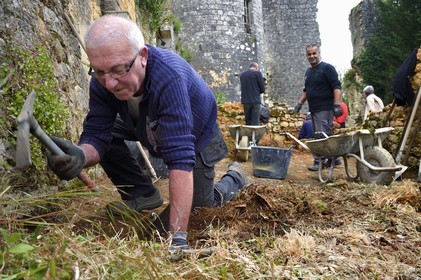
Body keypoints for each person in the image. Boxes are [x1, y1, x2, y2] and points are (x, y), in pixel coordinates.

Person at [46, 15, 249, 254]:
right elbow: (98, 134)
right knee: (108, 130)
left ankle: (234, 178)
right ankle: (141, 195)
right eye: (99, 71)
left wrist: (178, 239)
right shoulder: (103, 80)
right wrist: (80, 155)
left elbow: (180, 157)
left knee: (199, 208)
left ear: (142, 57)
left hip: (196, 133)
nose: (109, 83)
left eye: (117, 70)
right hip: (146, 122)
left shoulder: (168, 77)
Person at [293, 43, 343, 171]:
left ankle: (320, 161)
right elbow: (306, 90)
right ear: (306, 56)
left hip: (325, 108)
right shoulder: (308, 72)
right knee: (320, 134)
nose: (312, 56)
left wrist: (337, 105)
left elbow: (336, 87)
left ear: (319, 53)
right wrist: (299, 104)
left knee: (321, 135)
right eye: (309, 54)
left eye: (314, 53)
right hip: (314, 109)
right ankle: (333, 158)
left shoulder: (327, 68)